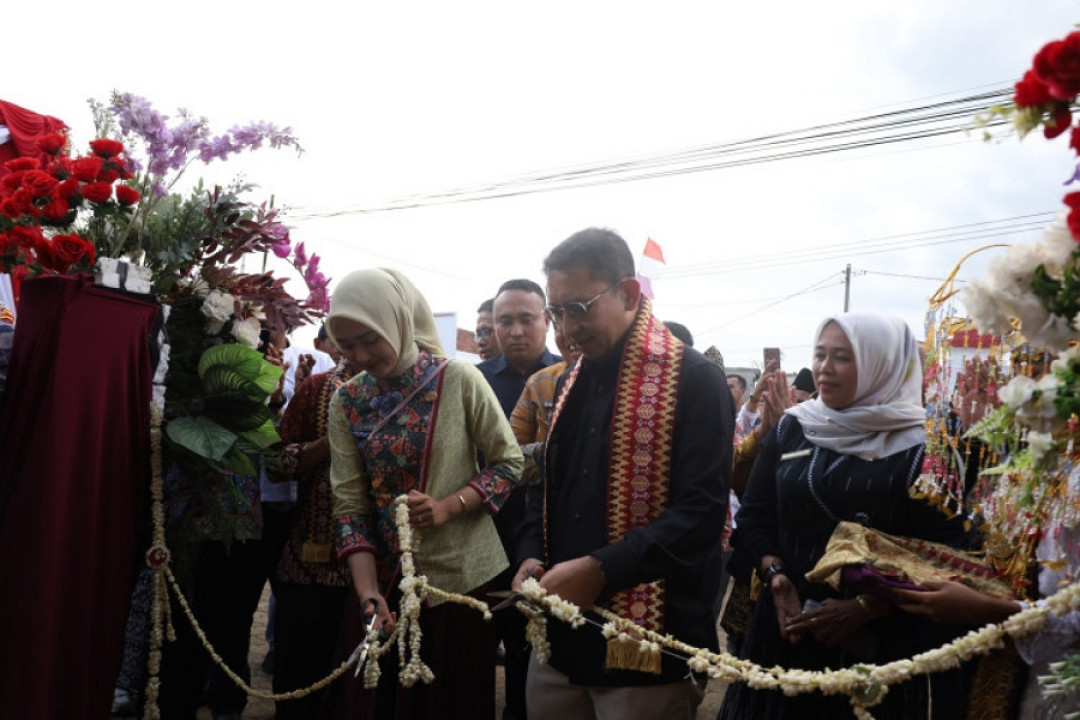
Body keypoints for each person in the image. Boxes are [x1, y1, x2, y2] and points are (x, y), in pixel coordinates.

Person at [513, 227, 733, 719]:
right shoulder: (569, 380)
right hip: (561, 635)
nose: (567, 329)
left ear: (630, 294)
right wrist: (530, 552)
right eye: (557, 312)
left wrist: (601, 569)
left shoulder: (695, 380)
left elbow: (700, 514)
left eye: (579, 308)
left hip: (648, 645)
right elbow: (548, 486)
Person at [718, 313, 974, 720]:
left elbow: (947, 552)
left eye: (842, 357)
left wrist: (870, 606)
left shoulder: (927, 446)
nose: (824, 368)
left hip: (877, 650)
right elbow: (755, 515)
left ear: (881, 364)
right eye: (819, 354)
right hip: (785, 629)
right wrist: (775, 576)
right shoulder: (794, 427)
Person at [325, 268, 524, 719]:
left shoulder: (458, 379)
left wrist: (449, 506)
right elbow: (350, 505)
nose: (361, 356)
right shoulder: (347, 400)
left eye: (370, 339)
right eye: (348, 346)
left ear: (397, 320)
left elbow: (509, 463)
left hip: (458, 583)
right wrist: (367, 594)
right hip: (382, 581)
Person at [478, 277, 561, 720]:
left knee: (530, 652)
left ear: (547, 320)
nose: (515, 331)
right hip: (482, 535)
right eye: (504, 321)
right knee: (475, 647)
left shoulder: (570, 377)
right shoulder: (473, 381)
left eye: (526, 319)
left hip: (546, 540)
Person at [267, 357, 359, 719]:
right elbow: (277, 464)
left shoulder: (410, 390)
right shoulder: (317, 387)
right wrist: (331, 440)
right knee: (299, 674)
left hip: (382, 567)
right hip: (311, 561)